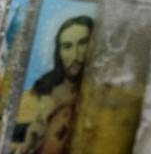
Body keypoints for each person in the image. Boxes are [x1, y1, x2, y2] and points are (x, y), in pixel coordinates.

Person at [11, 16, 93, 153]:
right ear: (59, 52)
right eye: (67, 46)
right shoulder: (40, 93)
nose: (76, 55)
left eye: (83, 43)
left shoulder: (97, 95)